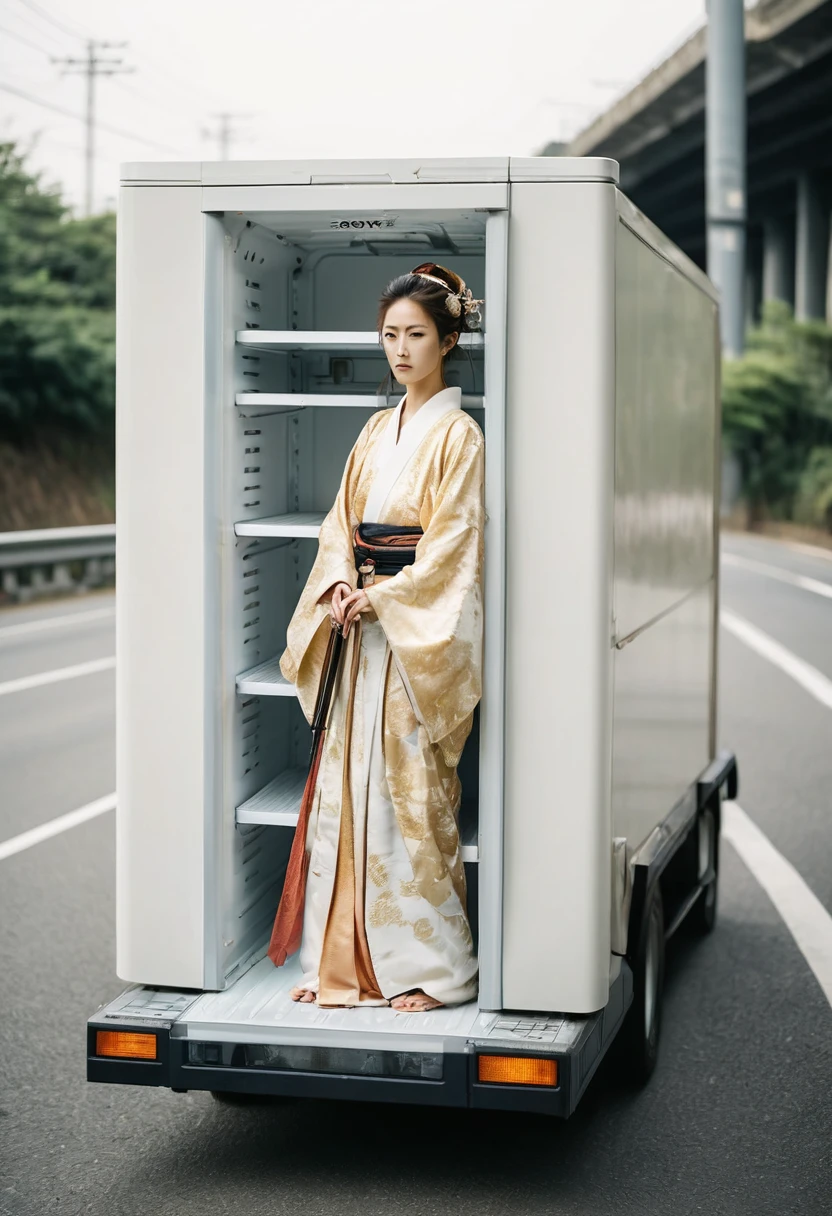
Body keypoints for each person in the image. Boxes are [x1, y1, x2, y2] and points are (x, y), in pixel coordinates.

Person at [268, 262, 485, 1013]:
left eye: (416, 335)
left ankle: (431, 969)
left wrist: (385, 597)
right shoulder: (374, 428)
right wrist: (338, 584)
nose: (400, 349)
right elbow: (341, 524)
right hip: (361, 625)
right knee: (343, 791)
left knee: (410, 796)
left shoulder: (460, 436)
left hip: (405, 635)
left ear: (449, 340)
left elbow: (454, 548)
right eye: (390, 334)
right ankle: (341, 962)